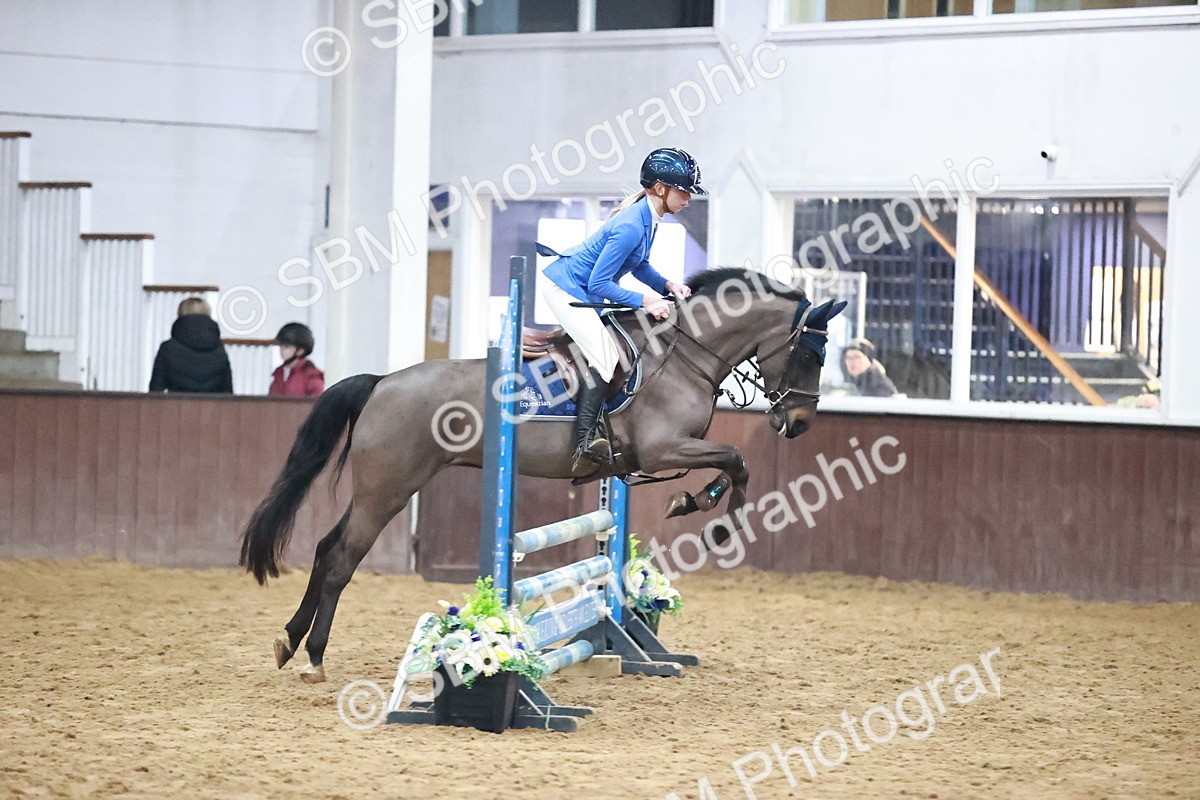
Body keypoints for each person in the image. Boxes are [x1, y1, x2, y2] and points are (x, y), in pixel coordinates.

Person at [538, 147, 703, 477]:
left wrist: (667, 285)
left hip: (583, 289)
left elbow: (638, 265)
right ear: (660, 189)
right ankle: (584, 444)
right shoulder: (631, 225)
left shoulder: (648, 217)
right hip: (567, 290)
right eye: (684, 191)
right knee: (606, 356)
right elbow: (599, 283)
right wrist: (646, 301)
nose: (688, 198)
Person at [148, 297, 233, 394]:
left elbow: (155, 390)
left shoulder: (167, 349)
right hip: (210, 404)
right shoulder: (220, 351)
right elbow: (228, 393)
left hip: (177, 403)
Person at [268, 322, 325, 397]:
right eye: (281, 346)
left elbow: (317, 400)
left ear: (300, 351)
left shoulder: (312, 376)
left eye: (286, 347)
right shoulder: (278, 373)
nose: (281, 350)